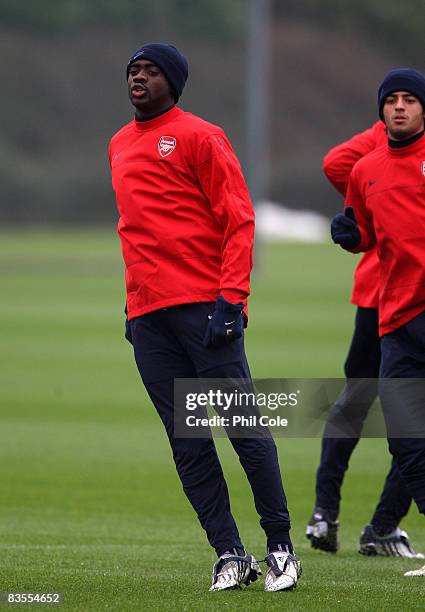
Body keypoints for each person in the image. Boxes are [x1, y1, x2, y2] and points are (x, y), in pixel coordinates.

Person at [108, 43, 301, 592]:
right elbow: (135, 229)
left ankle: (281, 548)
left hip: (205, 309)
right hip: (150, 318)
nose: (138, 77)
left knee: (243, 428)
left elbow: (239, 221)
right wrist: (133, 305)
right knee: (187, 441)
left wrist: (231, 300)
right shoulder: (119, 143)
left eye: (150, 71)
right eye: (133, 70)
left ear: (174, 81)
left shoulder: (200, 135)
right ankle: (229, 555)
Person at [306, 121, 423, 559]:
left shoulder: (390, 127)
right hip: (399, 294)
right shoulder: (402, 126)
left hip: (378, 290)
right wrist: (376, 203)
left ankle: (324, 511)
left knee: (359, 399)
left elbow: (337, 162)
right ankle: (384, 524)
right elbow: (341, 167)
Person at [331, 67, 425, 577]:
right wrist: (348, 234)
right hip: (396, 320)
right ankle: (380, 527)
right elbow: (364, 236)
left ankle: (383, 526)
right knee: (406, 441)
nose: (401, 107)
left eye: (411, 99)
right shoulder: (365, 170)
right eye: (393, 100)